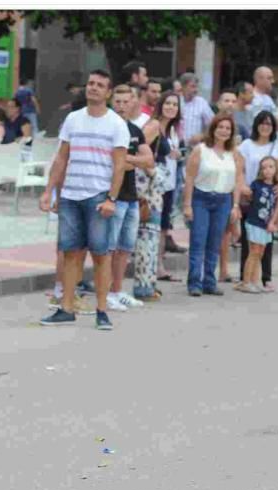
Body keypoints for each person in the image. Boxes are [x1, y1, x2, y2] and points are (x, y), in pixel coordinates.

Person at [39, 69, 129, 330]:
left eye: (100, 85)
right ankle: (66, 308)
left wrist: (112, 198)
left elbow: (120, 165)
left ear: (108, 92)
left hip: (98, 197)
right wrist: (49, 191)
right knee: (70, 254)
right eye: (91, 83)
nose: (94, 88)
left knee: (101, 255)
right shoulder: (73, 119)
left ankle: (102, 310)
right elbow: (61, 157)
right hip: (70, 195)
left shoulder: (116, 124)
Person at [182, 114, 244, 297]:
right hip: (201, 198)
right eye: (220, 127)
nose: (224, 131)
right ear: (213, 129)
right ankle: (194, 282)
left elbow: (238, 180)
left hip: (223, 200)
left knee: (215, 242)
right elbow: (190, 178)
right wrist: (187, 205)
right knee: (198, 240)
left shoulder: (234, 154)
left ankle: (209, 281)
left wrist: (236, 205)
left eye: (227, 128)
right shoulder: (201, 150)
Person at [107, 85, 155, 312]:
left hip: (131, 196)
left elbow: (149, 160)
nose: (122, 106)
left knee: (125, 247)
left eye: (126, 102)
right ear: (111, 102)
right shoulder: (105, 128)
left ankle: (117, 291)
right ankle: (105, 292)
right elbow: (115, 164)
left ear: (133, 103)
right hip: (111, 196)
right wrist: (130, 159)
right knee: (108, 247)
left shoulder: (135, 130)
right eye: (118, 101)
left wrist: (127, 158)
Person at [235, 110, 278, 290]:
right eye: (262, 123)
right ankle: (245, 278)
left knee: (266, 240)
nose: (265, 127)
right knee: (249, 240)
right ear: (256, 125)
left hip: (268, 196)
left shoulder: (276, 147)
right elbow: (239, 169)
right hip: (250, 195)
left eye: (269, 124)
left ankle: (265, 277)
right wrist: (242, 187)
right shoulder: (246, 145)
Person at [143, 91, 186, 281]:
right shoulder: (153, 126)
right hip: (152, 185)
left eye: (175, 105)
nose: (171, 107)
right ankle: (148, 268)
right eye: (167, 103)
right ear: (160, 105)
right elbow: (140, 148)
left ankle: (158, 266)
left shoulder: (173, 130)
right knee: (150, 226)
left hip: (167, 184)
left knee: (162, 227)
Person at [237, 156, 278, 294]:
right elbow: (246, 197)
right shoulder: (256, 185)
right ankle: (245, 282)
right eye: (264, 167)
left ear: (276, 169)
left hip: (265, 225)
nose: (267, 170)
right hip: (254, 223)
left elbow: (277, 207)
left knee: (260, 253)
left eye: (271, 167)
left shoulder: (275, 188)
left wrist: (272, 222)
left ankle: (254, 281)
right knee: (253, 252)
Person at [179, 73, 215, 145]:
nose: (196, 90)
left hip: (195, 147)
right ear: (183, 87)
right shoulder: (175, 101)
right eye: (192, 86)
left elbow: (214, 124)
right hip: (176, 147)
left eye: (196, 87)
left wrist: (202, 135)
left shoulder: (201, 102)